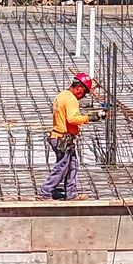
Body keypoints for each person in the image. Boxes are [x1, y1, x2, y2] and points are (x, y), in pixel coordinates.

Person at [38, 72, 110, 200]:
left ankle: (71, 194)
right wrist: (91, 117)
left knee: (72, 165)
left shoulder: (62, 95)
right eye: (84, 92)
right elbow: (72, 119)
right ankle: (45, 192)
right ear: (79, 88)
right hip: (62, 138)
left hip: (61, 137)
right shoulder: (71, 99)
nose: (83, 96)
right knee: (62, 167)